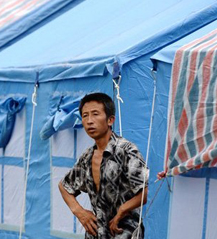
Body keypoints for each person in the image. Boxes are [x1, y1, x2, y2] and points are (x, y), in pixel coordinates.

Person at [58, 92, 149, 239]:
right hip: (96, 232)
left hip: (124, 230)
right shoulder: (87, 157)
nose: (89, 121)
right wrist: (80, 212)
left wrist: (122, 210)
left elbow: (143, 194)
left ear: (110, 120)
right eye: (85, 116)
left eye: (95, 114)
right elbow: (64, 186)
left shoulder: (126, 151)